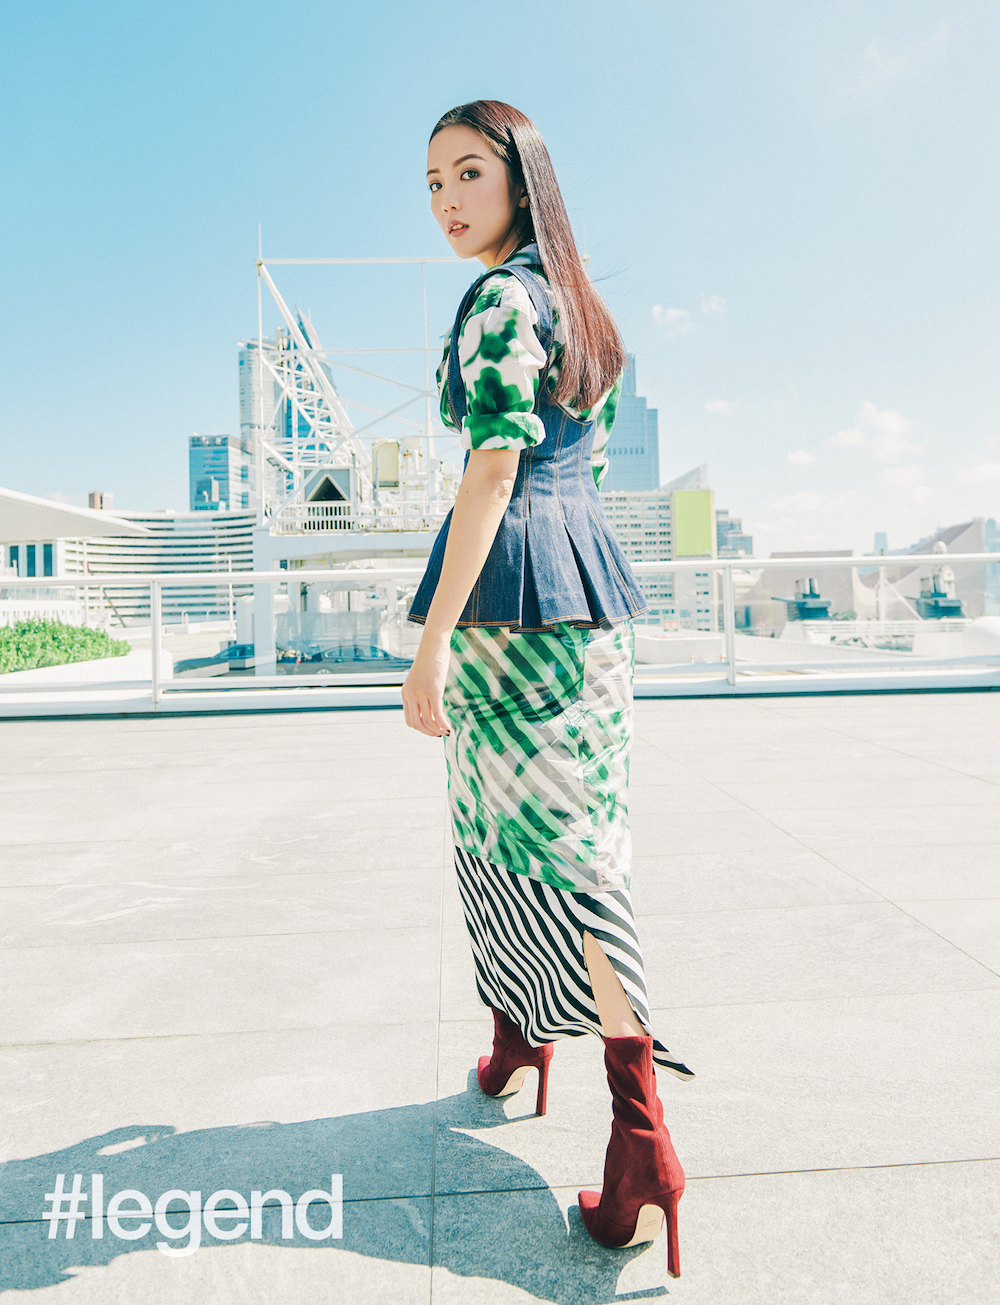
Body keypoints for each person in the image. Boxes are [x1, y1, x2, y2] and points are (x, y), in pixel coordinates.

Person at [401, 100, 692, 1274]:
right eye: (431, 182)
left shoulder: (496, 302)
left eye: (468, 172)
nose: (446, 199)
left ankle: (641, 1139)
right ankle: (522, 1042)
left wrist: (429, 641)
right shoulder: (585, 308)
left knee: (521, 843)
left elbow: (493, 466)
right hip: (592, 602)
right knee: (571, 841)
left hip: (510, 602)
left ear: (523, 181)